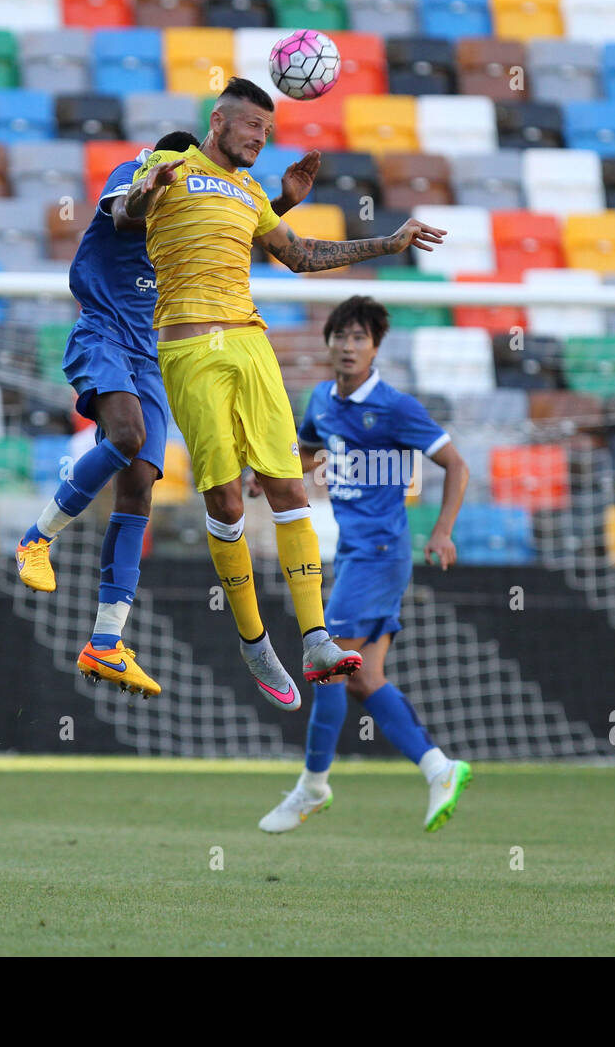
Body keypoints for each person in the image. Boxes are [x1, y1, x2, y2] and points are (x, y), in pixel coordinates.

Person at [122, 77, 447, 712]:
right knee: (224, 497)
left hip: (250, 341)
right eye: (252, 128)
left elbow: (298, 256)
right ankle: (253, 640)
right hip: (189, 348)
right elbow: (122, 215)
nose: (261, 139)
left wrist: (386, 242)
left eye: (267, 132)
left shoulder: (250, 193)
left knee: (289, 483)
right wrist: (142, 192)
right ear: (220, 120)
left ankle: (316, 636)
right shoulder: (168, 163)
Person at [14, 129, 320, 698]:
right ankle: (36, 538)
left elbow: (225, 231)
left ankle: (105, 644)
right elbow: (130, 214)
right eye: (179, 170)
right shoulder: (133, 179)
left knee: (138, 492)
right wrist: (152, 184)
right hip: (104, 334)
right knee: (127, 437)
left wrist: (276, 207)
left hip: (155, 356)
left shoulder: (190, 224)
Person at [255, 297, 472, 833]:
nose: (349, 347)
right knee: (362, 678)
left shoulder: (396, 407)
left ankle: (312, 786)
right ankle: (438, 767)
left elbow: (456, 463)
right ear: (328, 342)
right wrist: (269, 476)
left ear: (375, 348)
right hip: (354, 552)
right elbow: (307, 453)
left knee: (326, 667)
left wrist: (442, 530)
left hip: (380, 554)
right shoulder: (322, 402)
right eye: (341, 337)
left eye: (360, 338)